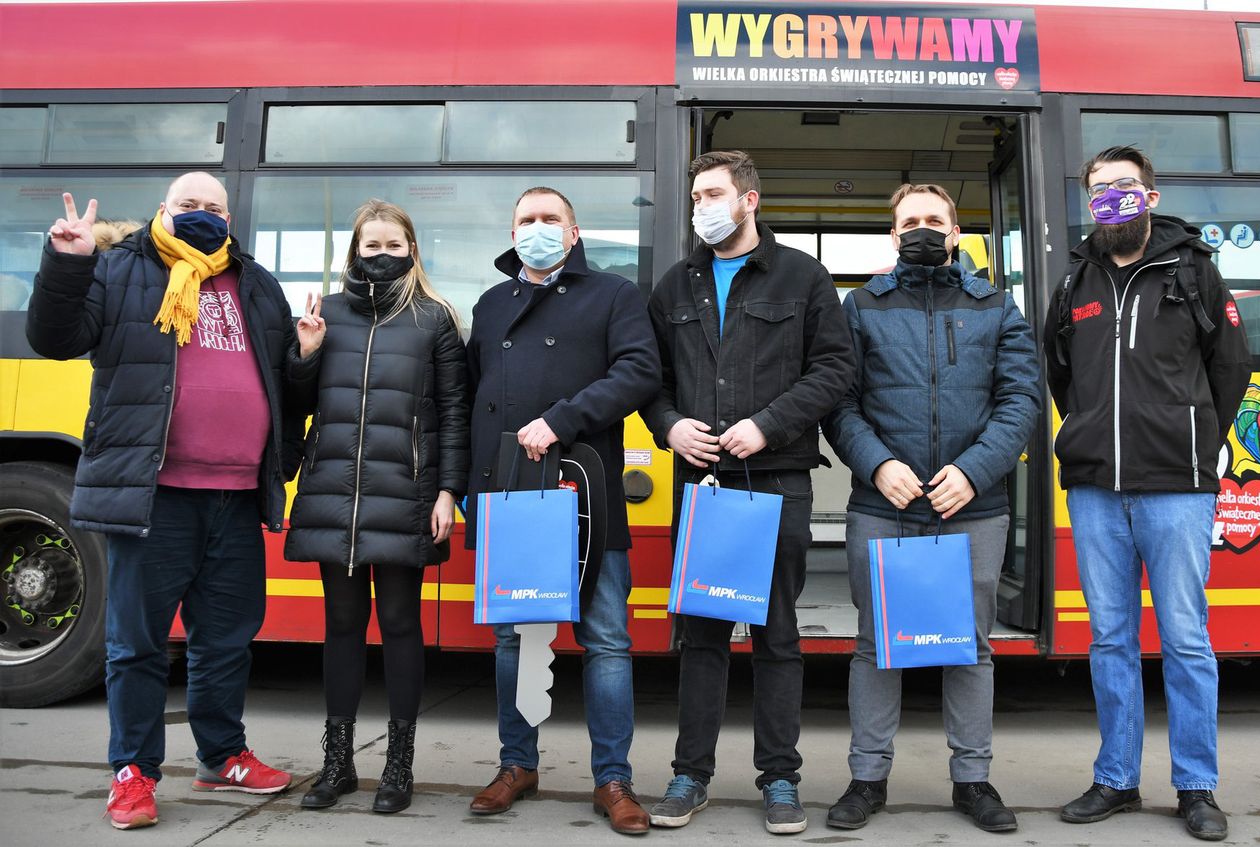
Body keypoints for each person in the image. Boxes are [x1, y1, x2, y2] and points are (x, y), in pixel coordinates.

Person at [25, 173, 305, 830]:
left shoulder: (255, 283)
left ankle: (223, 753)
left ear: (230, 217)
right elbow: (56, 337)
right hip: (155, 495)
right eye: (190, 205)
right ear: (163, 210)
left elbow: (284, 384)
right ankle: (133, 771)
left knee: (228, 640)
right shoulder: (121, 267)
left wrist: (298, 391)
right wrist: (66, 263)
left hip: (235, 498)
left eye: (214, 207)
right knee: (138, 644)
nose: (203, 214)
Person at [641, 150, 854, 835]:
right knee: (701, 633)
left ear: (749, 199)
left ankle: (781, 779)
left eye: (711, 193)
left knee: (776, 635)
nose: (700, 205)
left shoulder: (804, 277)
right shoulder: (675, 286)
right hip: (702, 485)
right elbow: (652, 382)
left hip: (778, 479)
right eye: (695, 195)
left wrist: (769, 425)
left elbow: (835, 370)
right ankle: (689, 774)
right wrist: (669, 427)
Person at [822, 183, 1041, 834]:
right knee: (876, 645)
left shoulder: (998, 308)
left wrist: (973, 473)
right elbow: (838, 403)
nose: (921, 228)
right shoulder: (858, 308)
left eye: (934, 220)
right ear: (893, 234)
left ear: (955, 232)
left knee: (970, 647)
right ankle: (867, 778)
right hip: (882, 503)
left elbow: (1022, 402)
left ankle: (972, 779)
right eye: (909, 220)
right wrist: (877, 463)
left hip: (972, 508)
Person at [1046, 146, 1251, 842]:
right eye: (1100, 189)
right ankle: (1117, 778)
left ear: (1151, 195)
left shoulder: (1192, 269)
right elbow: (1060, 372)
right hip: (1097, 488)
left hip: (1176, 489)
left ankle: (1196, 786)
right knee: (1109, 639)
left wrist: (1195, 437)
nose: (1113, 197)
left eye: (1124, 186)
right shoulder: (1077, 279)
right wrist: (1092, 431)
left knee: (1186, 639)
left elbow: (1229, 365)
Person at [465, 187, 660, 835]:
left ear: (574, 233)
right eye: (527, 219)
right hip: (510, 493)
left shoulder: (614, 294)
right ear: (512, 229)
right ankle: (516, 763)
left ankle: (614, 778)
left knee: (606, 639)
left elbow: (639, 371)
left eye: (551, 219)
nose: (538, 228)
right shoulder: (491, 306)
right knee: (511, 639)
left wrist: (561, 419)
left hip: (586, 487)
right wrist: (470, 488)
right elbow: (474, 402)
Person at [283, 200, 469, 814]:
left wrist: (448, 491)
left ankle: (398, 767)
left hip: (407, 494)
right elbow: (300, 400)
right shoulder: (326, 315)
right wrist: (305, 353)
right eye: (372, 246)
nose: (383, 255)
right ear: (354, 253)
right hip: (335, 490)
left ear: (412, 250)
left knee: (398, 624)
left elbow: (453, 412)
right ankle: (337, 766)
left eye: (394, 245)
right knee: (339, 627)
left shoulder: (435, 319)